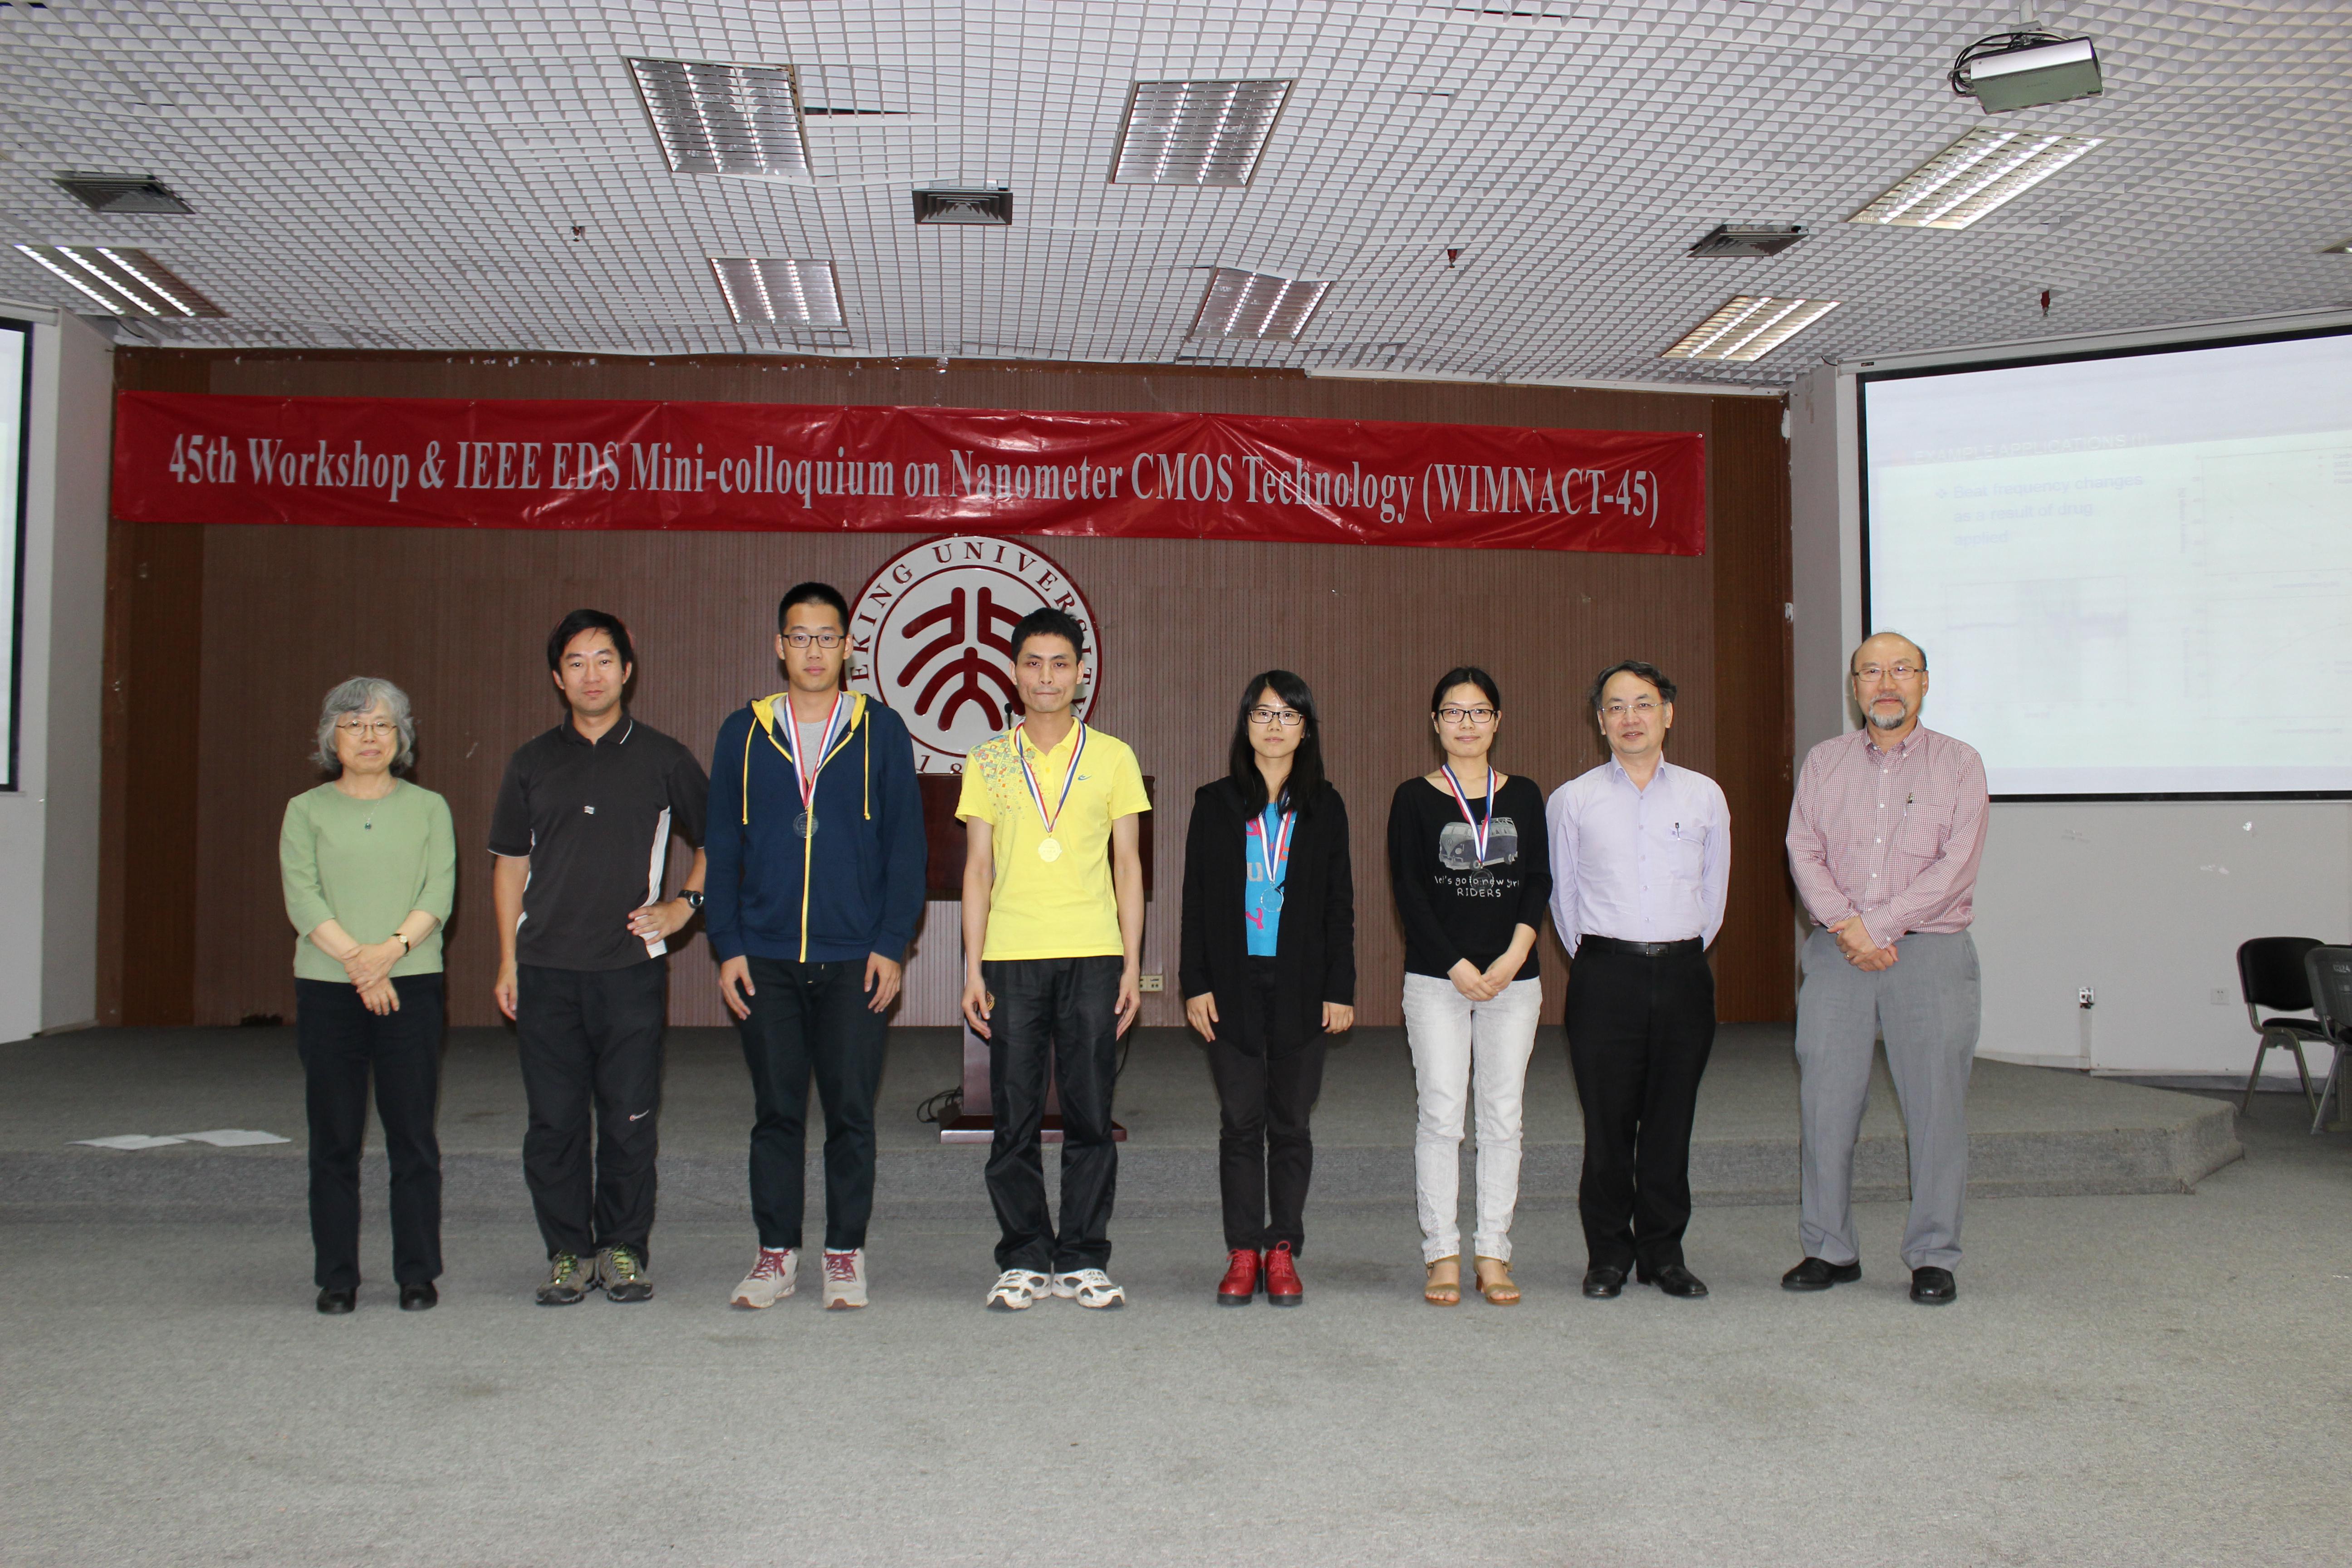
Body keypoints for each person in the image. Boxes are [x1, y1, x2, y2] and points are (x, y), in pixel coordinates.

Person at [705, 582, 927, 1311]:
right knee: (775, 1112)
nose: (813, 651)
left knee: (850, 1113)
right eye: (799, 637)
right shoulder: (743, 732)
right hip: (764, 957)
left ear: (848, 648)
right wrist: (728, 944)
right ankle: (775, 1253)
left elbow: (906, 847)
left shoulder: (881, 729)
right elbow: (722, 844)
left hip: (855, 956)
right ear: (780, 646)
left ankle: (843, 1252)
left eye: (826, 637)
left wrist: (891, 943)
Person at [490, 609, 709, 1307]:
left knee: (628, 1120)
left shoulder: (664, 758)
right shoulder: (531, 762)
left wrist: (685, 907)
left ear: (628, 670)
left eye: (604, 660)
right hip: (546, 970)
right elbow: (510, 866)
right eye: (576, 663)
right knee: (554, 1123)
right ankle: (566, 1253)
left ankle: (622, 1249)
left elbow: (722, 843)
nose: (592, 675)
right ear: (558, 678)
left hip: (629, 971)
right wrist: (507, 960)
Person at [1784, 632, 1989, 1306]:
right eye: (1871, 672)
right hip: (1837, 950)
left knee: (1935, 1110)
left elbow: (1956, 864)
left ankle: (1933, 1256)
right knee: (1826, 1103)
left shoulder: (1960, 763)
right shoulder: (1824, 761)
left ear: (1925, 682)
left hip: (1929, 951)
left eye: (1902, 669)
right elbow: (1803, 850)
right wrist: (1848, 926)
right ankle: (1829, 1248)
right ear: (1855, 688)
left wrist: (1877, 927)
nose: (1887, 683)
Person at [958, 608, 1150, 1312]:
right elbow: (978, 870)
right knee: (1013, 1116)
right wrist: (972, 967)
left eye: (1060, 664)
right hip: (1011, 956)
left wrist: (1131, 966)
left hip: (1094, 955)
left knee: (1090, 1111)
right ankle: (1023, 1256)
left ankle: (1083, 1257)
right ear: (1014, 672)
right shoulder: (987, 760)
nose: (1047, 677)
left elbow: (1128, 867)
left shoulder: (1114, 757)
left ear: (1081, 674)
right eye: (1033, 663)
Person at [1545, 661, 1729, 1303]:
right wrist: (1604, 957)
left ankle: (1663, 1254)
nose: (1631, 718)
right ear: (1600, 722)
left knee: (1672, 1120)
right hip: (1605, 974)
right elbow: (1564, 900)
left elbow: (1714, 895)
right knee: (1607, 1123)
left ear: (1668, 714)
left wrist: (1675, 951)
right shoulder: (1572, 800)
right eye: (1616, 707)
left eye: (1644, 704)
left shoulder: (1704, 796)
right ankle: (1607, 1255)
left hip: (1683, 974)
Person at [279, 677, 456, 1315]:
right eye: (353, 725)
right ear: (331, 737)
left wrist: (387, 954)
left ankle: (417, 1273)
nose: (369, 737)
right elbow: (303, 898)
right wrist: (360, 963)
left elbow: (438, 893)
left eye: (383, 724)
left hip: (411, 982)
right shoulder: (305, 810)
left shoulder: (430, 808)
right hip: (329, 987)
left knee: (412, 1135)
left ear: (402, 737)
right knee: (334, 1138)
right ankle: (337, 1277)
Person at [1180, 671, 1357, 1308]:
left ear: (1306, 729)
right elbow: (1195, 900)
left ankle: (1281, 1247)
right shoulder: (1215, 803)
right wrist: (1194, 983)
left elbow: (1340, 904)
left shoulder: (1325, 806)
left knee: (1290, 1123)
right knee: (1239, 1122)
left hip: (1302, 986)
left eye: (1288, 715)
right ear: (1245, 724)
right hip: (1231, 981)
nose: (1274, 726)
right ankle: (1242, 1250)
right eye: (1263, 713)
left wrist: (1340, 987)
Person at [1388, 666, 1552, 1307]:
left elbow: (1537, 880)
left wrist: (1515, 955)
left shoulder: (1525, 795)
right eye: (1453, 712)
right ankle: (1442, 1253)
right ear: (1436, 723)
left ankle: (1493, 1252)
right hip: (1438, 979)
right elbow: (1409, 890)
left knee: (1503, 1117)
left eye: (1479, 711)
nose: (1467, 723)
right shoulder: (1413, 798)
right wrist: (1455, 964)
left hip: (1514, 979)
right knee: (1441, 1114)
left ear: (1497, 721)